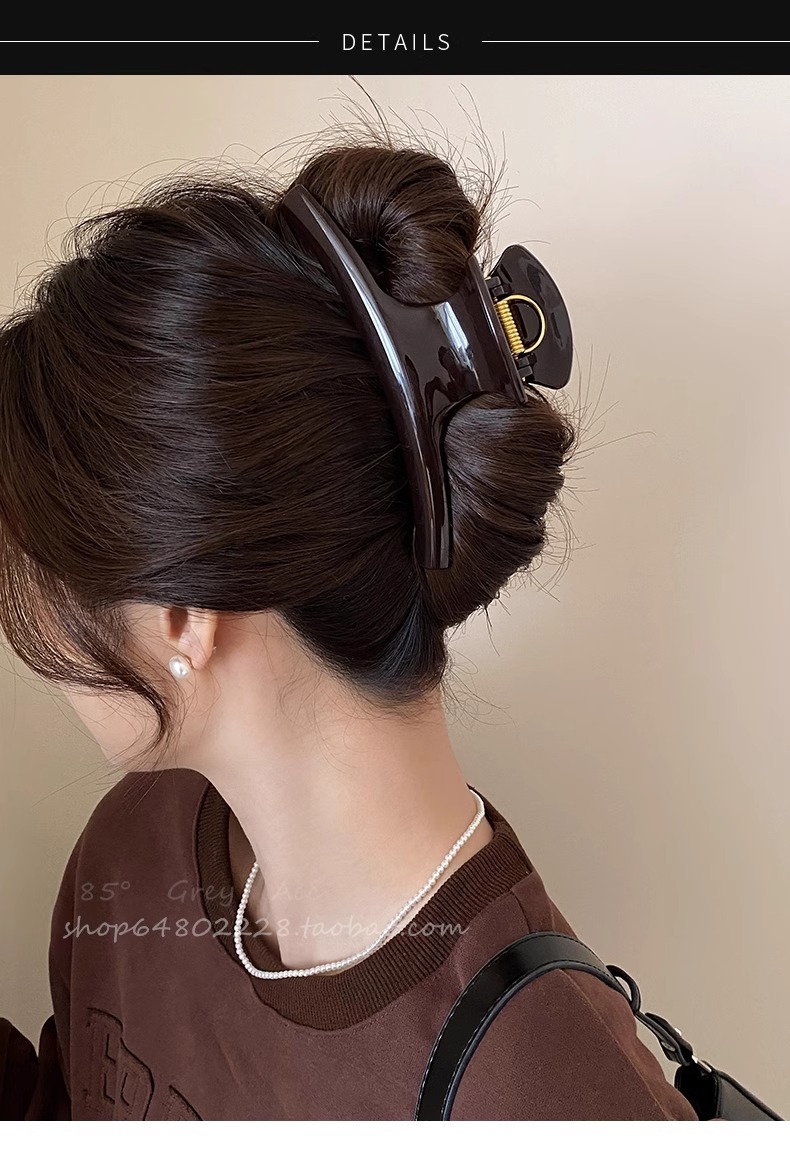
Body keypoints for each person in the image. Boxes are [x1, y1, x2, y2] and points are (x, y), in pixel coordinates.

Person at [0, 140, 697, 1121]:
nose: (26, 620)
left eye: (42, 567)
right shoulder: (133, 848)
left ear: (180, 616)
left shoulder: (556, 1100)